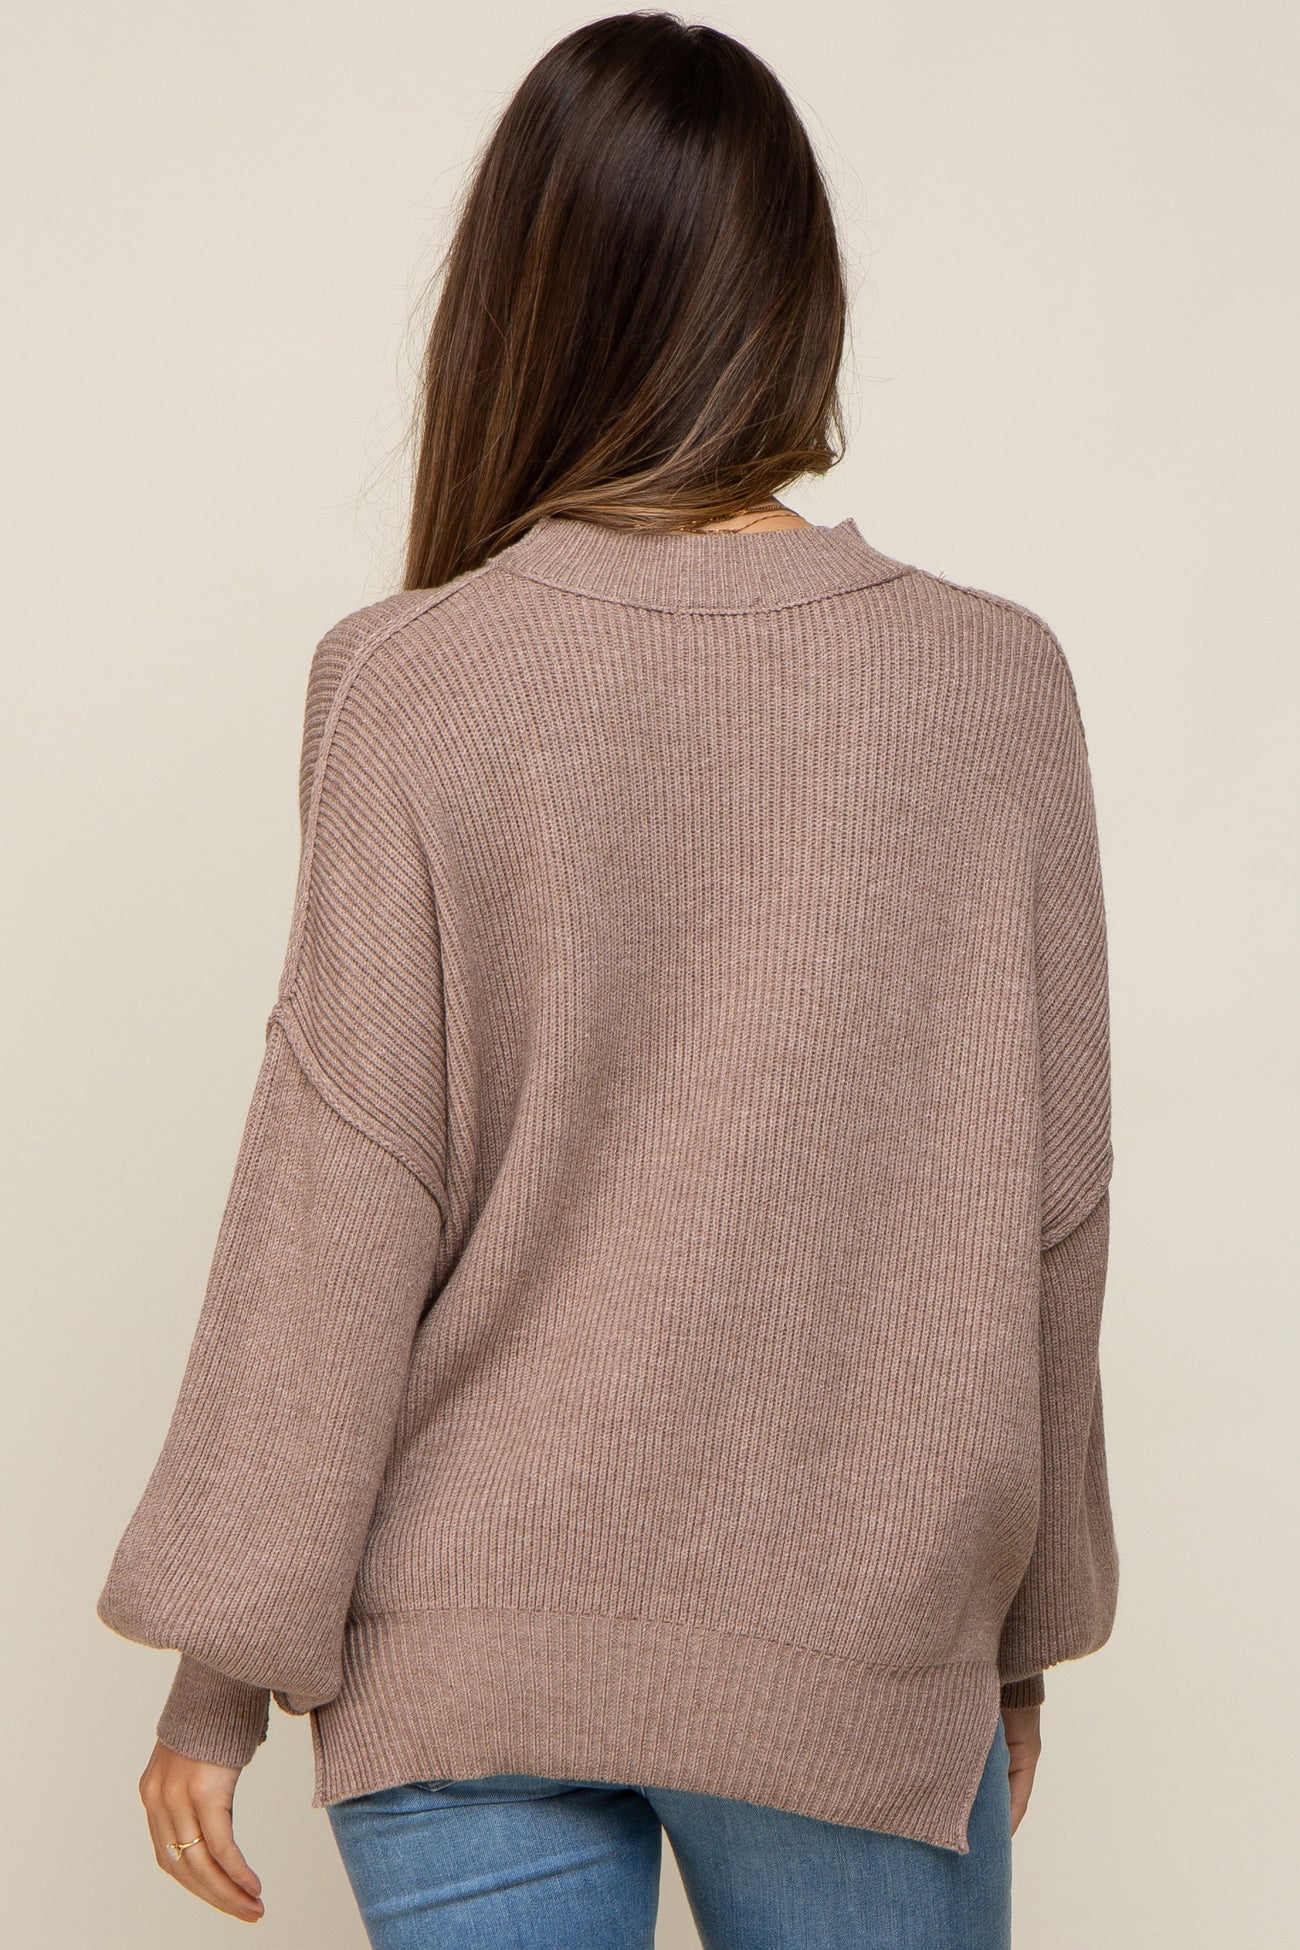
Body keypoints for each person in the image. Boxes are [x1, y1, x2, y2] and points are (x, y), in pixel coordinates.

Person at [96, 12, 1119, 1947]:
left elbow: (337, 1195)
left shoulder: (410, 677)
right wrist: (1018, 1643)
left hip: (461, 1640)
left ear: (524, 304)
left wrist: (218, 1676)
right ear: (797, 300)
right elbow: (1049, 1211)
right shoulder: (997, 684)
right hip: (855, 1648)